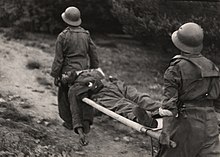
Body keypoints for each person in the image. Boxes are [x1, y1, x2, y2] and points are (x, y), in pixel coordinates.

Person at [157, 22, 220, 157]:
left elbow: (169, 106)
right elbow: (218, 103)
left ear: (179, 43)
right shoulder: (212, 67)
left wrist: (166, 132)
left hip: (187, 126)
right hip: (211, 125)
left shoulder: (175, 69)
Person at [66, 69, 161, 145]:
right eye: (63, 76)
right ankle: (147, 120)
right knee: (123, 106)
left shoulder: (86, 71)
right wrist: (80, 132)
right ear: (65, 83)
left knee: (139, 96)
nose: (66, 73)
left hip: (115, 84)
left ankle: (162, 108)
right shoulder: (73, 89)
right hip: (102, 95)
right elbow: (75, 111)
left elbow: (99, 71)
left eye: (65, 71)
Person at [50, 6, 99, 141]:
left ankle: (69, 121)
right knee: (86, 94)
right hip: (84, 71)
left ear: (66, 20)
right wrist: (94, 69)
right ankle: (86, 122)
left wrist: (56, 76)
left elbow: (58, 59)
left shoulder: (63, 36)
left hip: (68, 73)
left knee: (63, 94)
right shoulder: (86, 34)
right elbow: (93, 54)